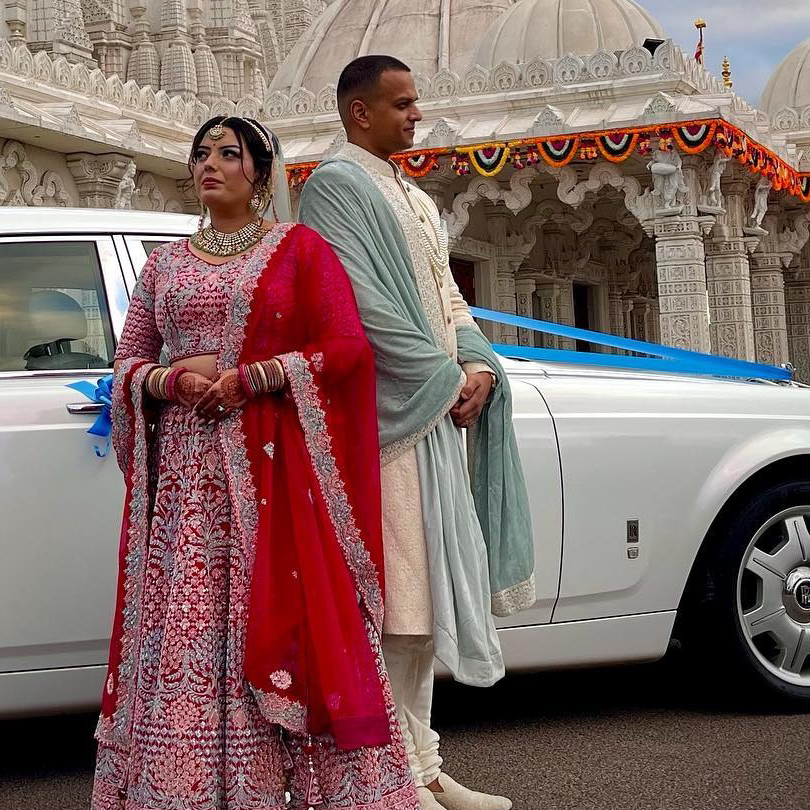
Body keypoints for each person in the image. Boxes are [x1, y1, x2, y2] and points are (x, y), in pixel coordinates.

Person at [91, 115, 419, 810]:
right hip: (184, 480)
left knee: (272, 617)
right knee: (188, 624)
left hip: (270, 474)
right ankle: (180, 789)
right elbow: (126, 363)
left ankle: (281, 789)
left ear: (260, 173)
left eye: (229, 153)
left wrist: (254, 378)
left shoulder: (299, 251)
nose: (211, 163)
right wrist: (167, 382)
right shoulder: (163, 264)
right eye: (201, 153)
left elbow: (347, 350)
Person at [297, 56, 537, 810]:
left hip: (432, 414)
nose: (415, 116)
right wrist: (442, 381)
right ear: (358, 112)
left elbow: (447, 302)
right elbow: (360, 308)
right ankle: (394, 778)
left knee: (425, 605)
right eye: (402, 105)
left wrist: (482, 368)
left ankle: (425, 767)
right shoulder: (334, 189)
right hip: (387, 424)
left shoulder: (414, 197)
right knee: (398, 606)